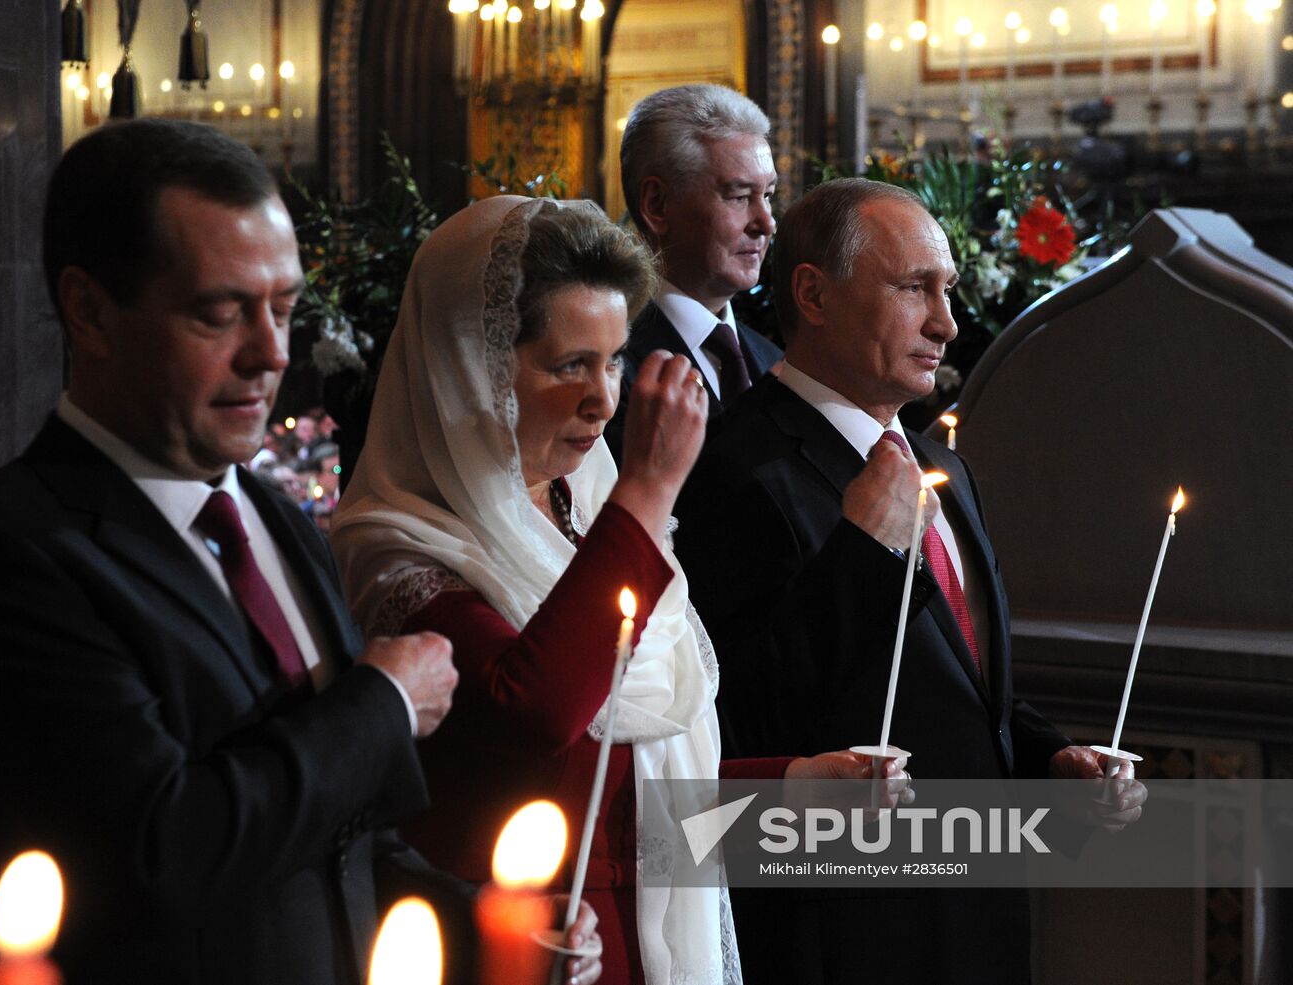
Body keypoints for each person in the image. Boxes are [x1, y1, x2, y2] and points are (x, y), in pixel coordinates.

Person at [0, 120, 599, 985]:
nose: (271, 353)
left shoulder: (270, 515)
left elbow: (349, 839)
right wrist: (381, 700)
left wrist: (480, 925)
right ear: (89, 311)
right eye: (219, 312)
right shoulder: (6, 553)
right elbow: (155, 850)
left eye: (282, 308)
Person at [329, 196, 897, 985]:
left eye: (615, 360)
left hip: (642, 942)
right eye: (570, 364)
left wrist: (791, 784)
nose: (604, 399)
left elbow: (637, 798)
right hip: (515, 950)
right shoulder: (399, 542)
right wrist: (649, 493)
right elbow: (538, 709)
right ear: (474, 369)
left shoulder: (587, 513)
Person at [673, 178, 1145, 984]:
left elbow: (954, 680)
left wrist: (1050, 757)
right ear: (814, 294)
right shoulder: (732, 471)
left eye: (949, 290)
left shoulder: (943, 466)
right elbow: (730, 720)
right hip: (846, 934)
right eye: (912, 287)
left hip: (976, 916)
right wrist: (864, 547)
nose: (946, 323)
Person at [604, 84, 783, 459]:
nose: (766, 223)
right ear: (657, 205)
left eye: (767, 195)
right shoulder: (605, 363)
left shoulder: (773, 360)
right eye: (739, 197)